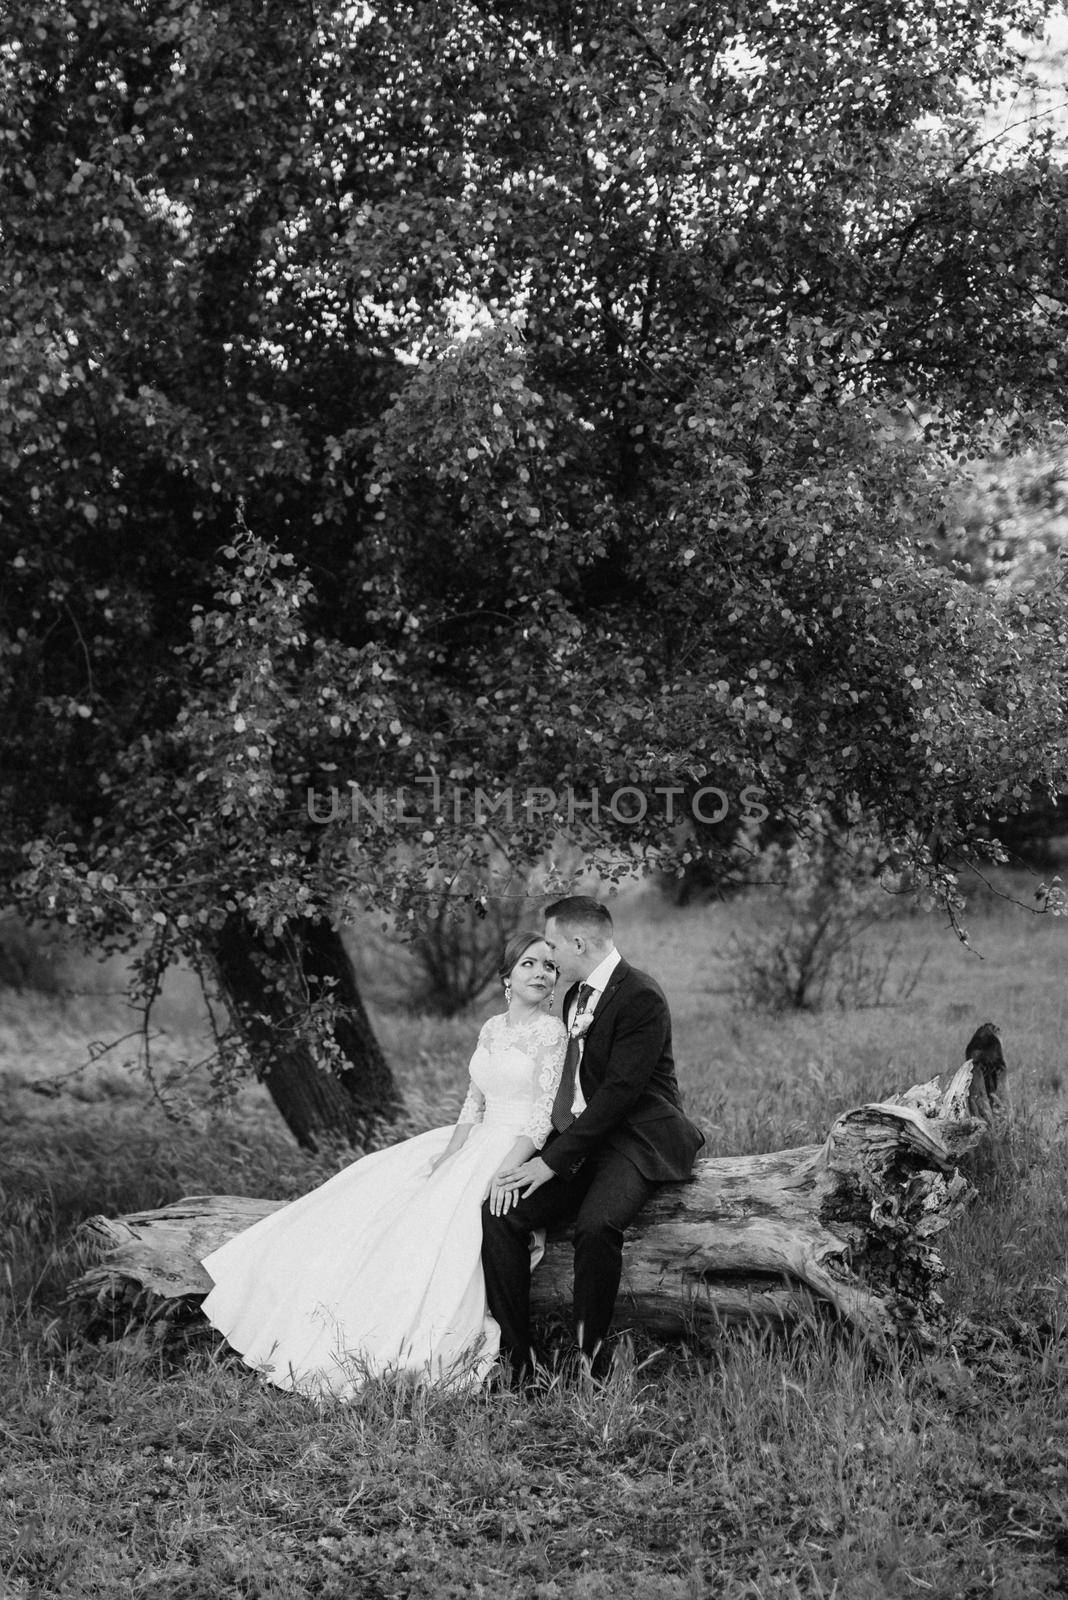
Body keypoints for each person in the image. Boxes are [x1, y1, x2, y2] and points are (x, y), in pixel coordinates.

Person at [200, 931, 566, 1398]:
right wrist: (449, 1157)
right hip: (474, 1141)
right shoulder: (492, 1028)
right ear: (507, 977)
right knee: (380, 1197)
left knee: (450, 1231)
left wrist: (505, 1171)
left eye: (549, 967)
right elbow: (472, 1104)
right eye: (530, 964)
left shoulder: (551, 1034)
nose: (541, 973)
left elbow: (539, 1120)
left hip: (511, 1147)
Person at [481, 896, 705, 1383]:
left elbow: (619, 1096)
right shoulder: (572, 997)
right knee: (501, 1213)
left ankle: (591, 1363)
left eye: (555, 946)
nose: (550, 957)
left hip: (635, 1138)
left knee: (596, 1226)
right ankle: (520, 1362)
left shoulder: (640, 994)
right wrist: (543, 1152)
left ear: (578, 942)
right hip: (584, 1139)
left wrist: (550, 1162)